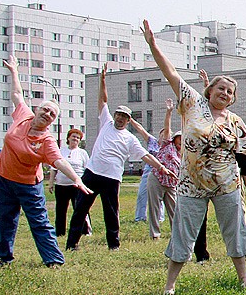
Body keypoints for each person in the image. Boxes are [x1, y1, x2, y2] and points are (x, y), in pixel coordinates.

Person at [142, 20, 246, 293]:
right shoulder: (192, 103)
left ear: (232, 99)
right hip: (191, 185)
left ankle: (243, 280)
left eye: (230, 92)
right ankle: (170, 286)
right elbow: (171, 72)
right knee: (184, 233)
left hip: (227, 185)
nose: (225, 93)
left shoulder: (234, 120)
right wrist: (153, 45)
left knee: (235, 230)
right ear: (210, 90)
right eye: (221, 88)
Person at [0, 56, 91, 265]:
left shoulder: (46, 141)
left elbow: (59, 161)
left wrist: (77, 179)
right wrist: (14, 71)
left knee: (39, 222)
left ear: (53, 121)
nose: (47, 114)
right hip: (4, 179)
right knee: (5, 220)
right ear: (37, 110)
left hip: (28, 185)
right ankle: (1, 259)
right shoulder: (23, 116)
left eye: (52, 114)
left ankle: (54, 261)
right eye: (45, 109)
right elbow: (17, 94)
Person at [66, 64, 173, 251]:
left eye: (125, 117)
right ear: (114, 115)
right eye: (119, 115)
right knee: (80, 209)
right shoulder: (106, 123)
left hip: (112, 178)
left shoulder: (130, 139)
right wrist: (102, 80)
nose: (121, 118)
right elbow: (103, 100)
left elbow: (146, 156)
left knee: (111, 213)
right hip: (92, 174)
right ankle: (71, 244)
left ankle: (113, 245)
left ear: (128, 120)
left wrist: (161, 168)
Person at [146, 98, 181, 240]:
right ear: (175, 139)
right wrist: (169, 112)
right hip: (157, 179)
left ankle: (176, 234)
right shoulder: (167, 145)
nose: (180, 143)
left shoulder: (184, 153)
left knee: (174, 210)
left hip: (171, 184)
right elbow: (167, 128)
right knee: (154, 208)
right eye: (179, 140)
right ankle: (155, 235)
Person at [48, 128, 90, 237]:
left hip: (76, 185)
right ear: (68, 138)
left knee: (79, 208)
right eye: (73, 136)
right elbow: (54, 168)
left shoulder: (82, 153)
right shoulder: (61, 151)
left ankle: (84, 231)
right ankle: (60, 232)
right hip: (61, 185)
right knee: (61, 210)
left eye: (78, 137)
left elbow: (87, 170)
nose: (75, 139)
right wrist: (51, 183)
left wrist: (84, 183)